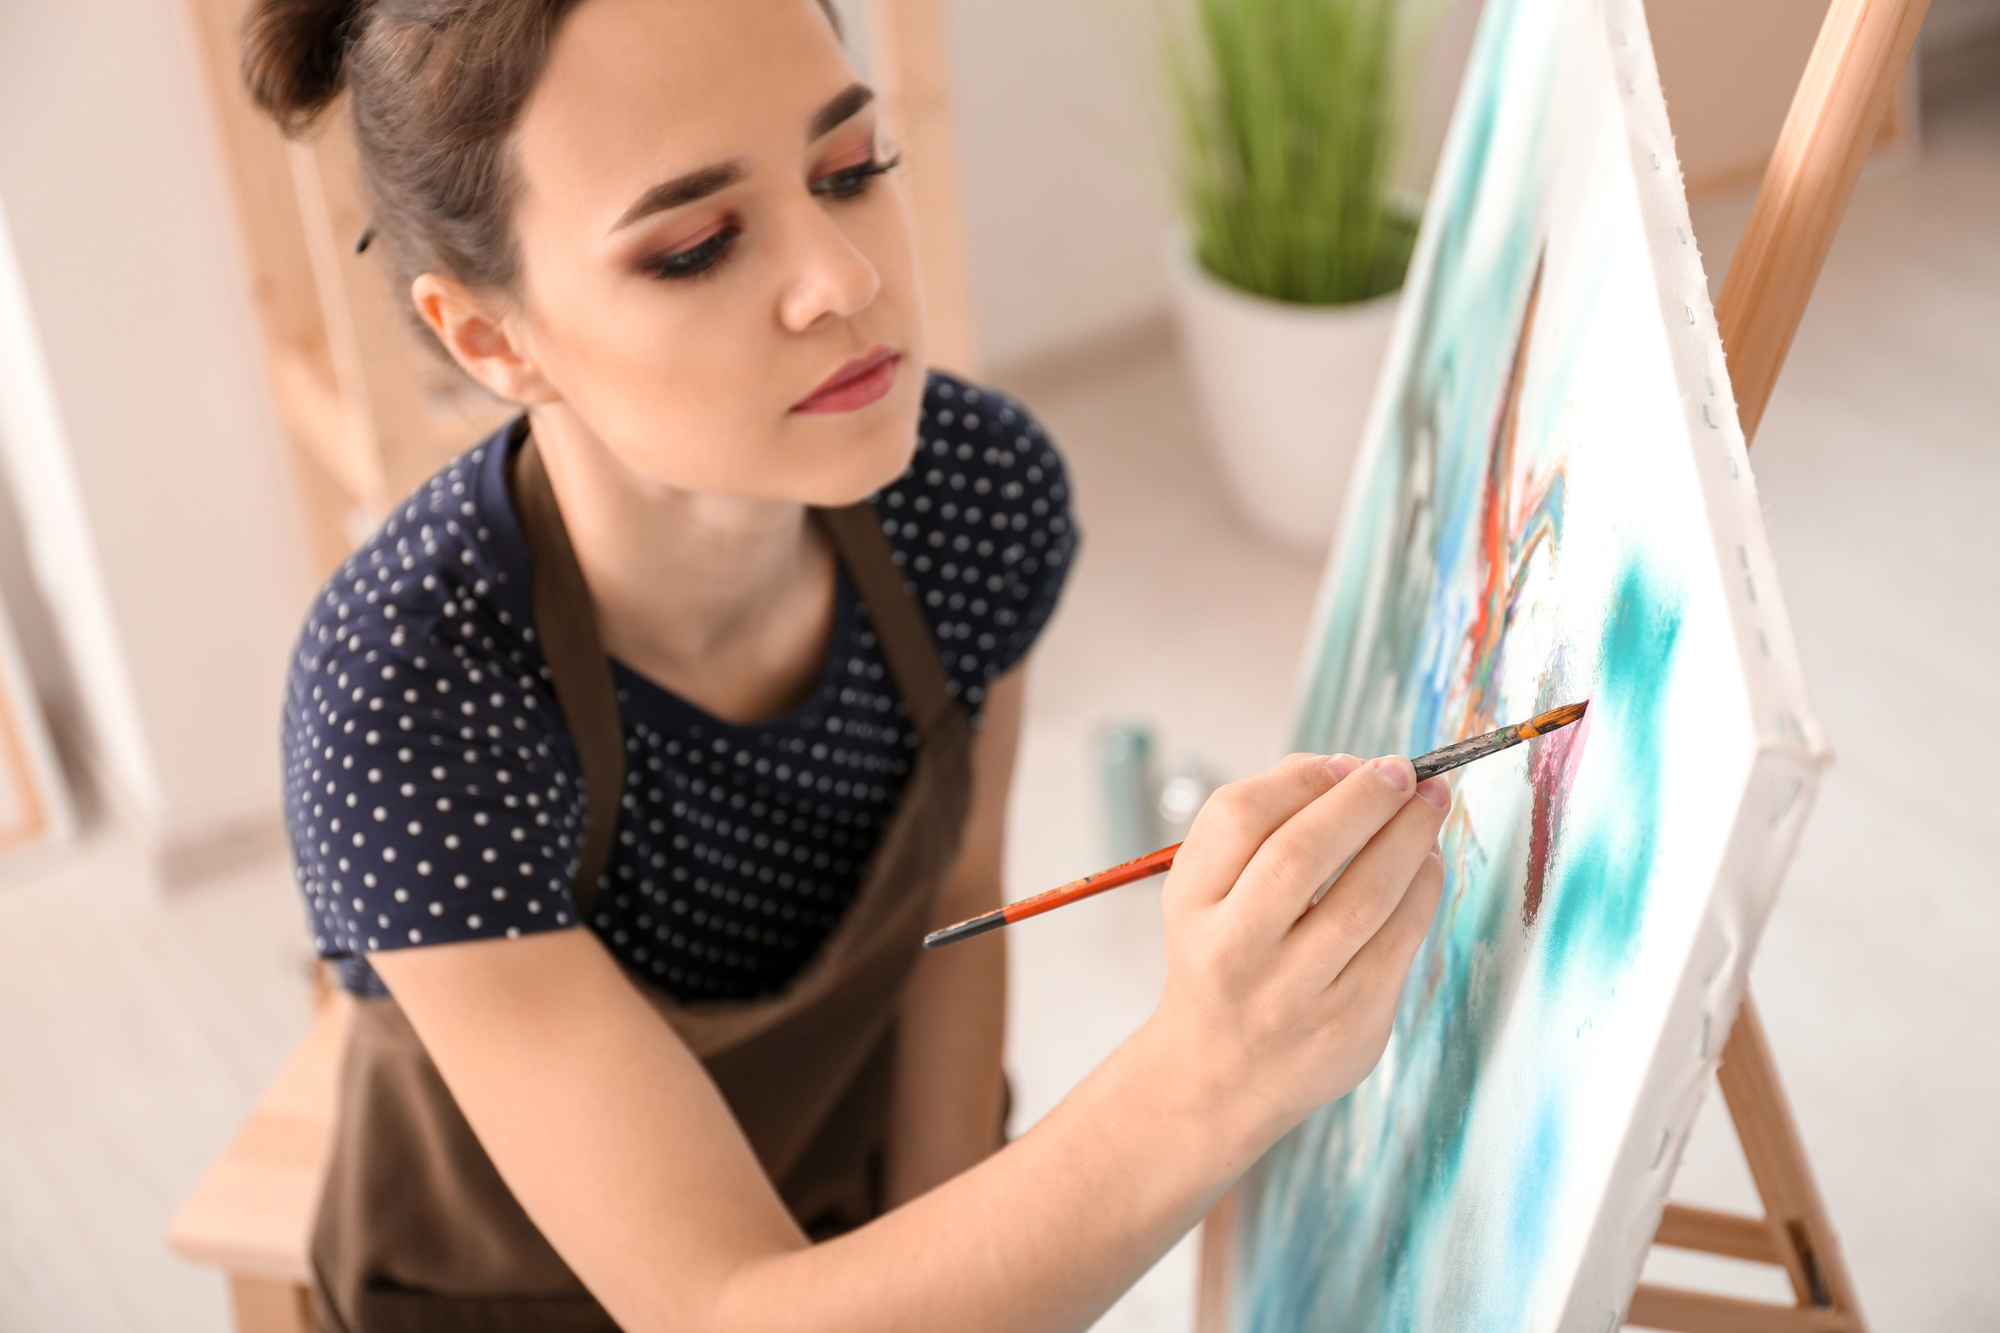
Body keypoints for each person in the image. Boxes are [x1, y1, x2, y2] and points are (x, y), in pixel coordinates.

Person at [254, 0, 1451, 1328]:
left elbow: (957, 902)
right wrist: (1212, 1072)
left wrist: (951, 1246)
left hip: (862, 1222)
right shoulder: (410, 699)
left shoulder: (973, 495)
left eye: (851, 169)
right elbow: (719, 1306)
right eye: (697, 245)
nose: (845, 277)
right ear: (492, 338)